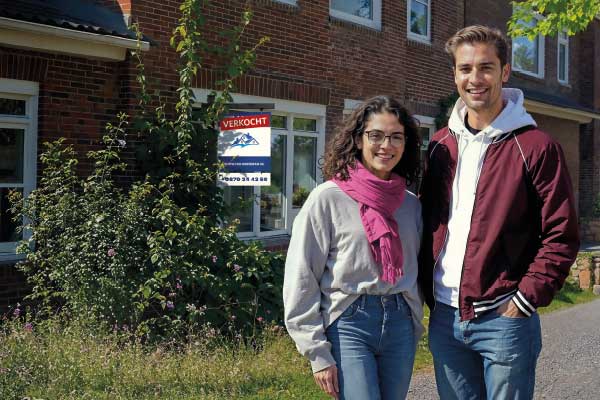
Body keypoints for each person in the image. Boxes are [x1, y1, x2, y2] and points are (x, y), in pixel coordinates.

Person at [419, 25, 580, 400]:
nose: (475, 79)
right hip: (445, 317)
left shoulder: (536, 146)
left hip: (504, 319)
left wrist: (524, 299)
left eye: (486, 67)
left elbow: (561, 234)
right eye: (465, 69)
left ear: (505, 72)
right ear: (455, 75)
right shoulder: (441, 144)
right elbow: (427, 222)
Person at [283, 95, 424, 400]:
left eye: (396, 137)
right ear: (359, 140)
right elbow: (301, 275)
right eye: (376, 135)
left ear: (406, 144)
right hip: (349, 321)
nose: (386, 145)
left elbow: (418, 266)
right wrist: (317, 352)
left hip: (400, 320)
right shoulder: (327, 198)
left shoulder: (410, 204)